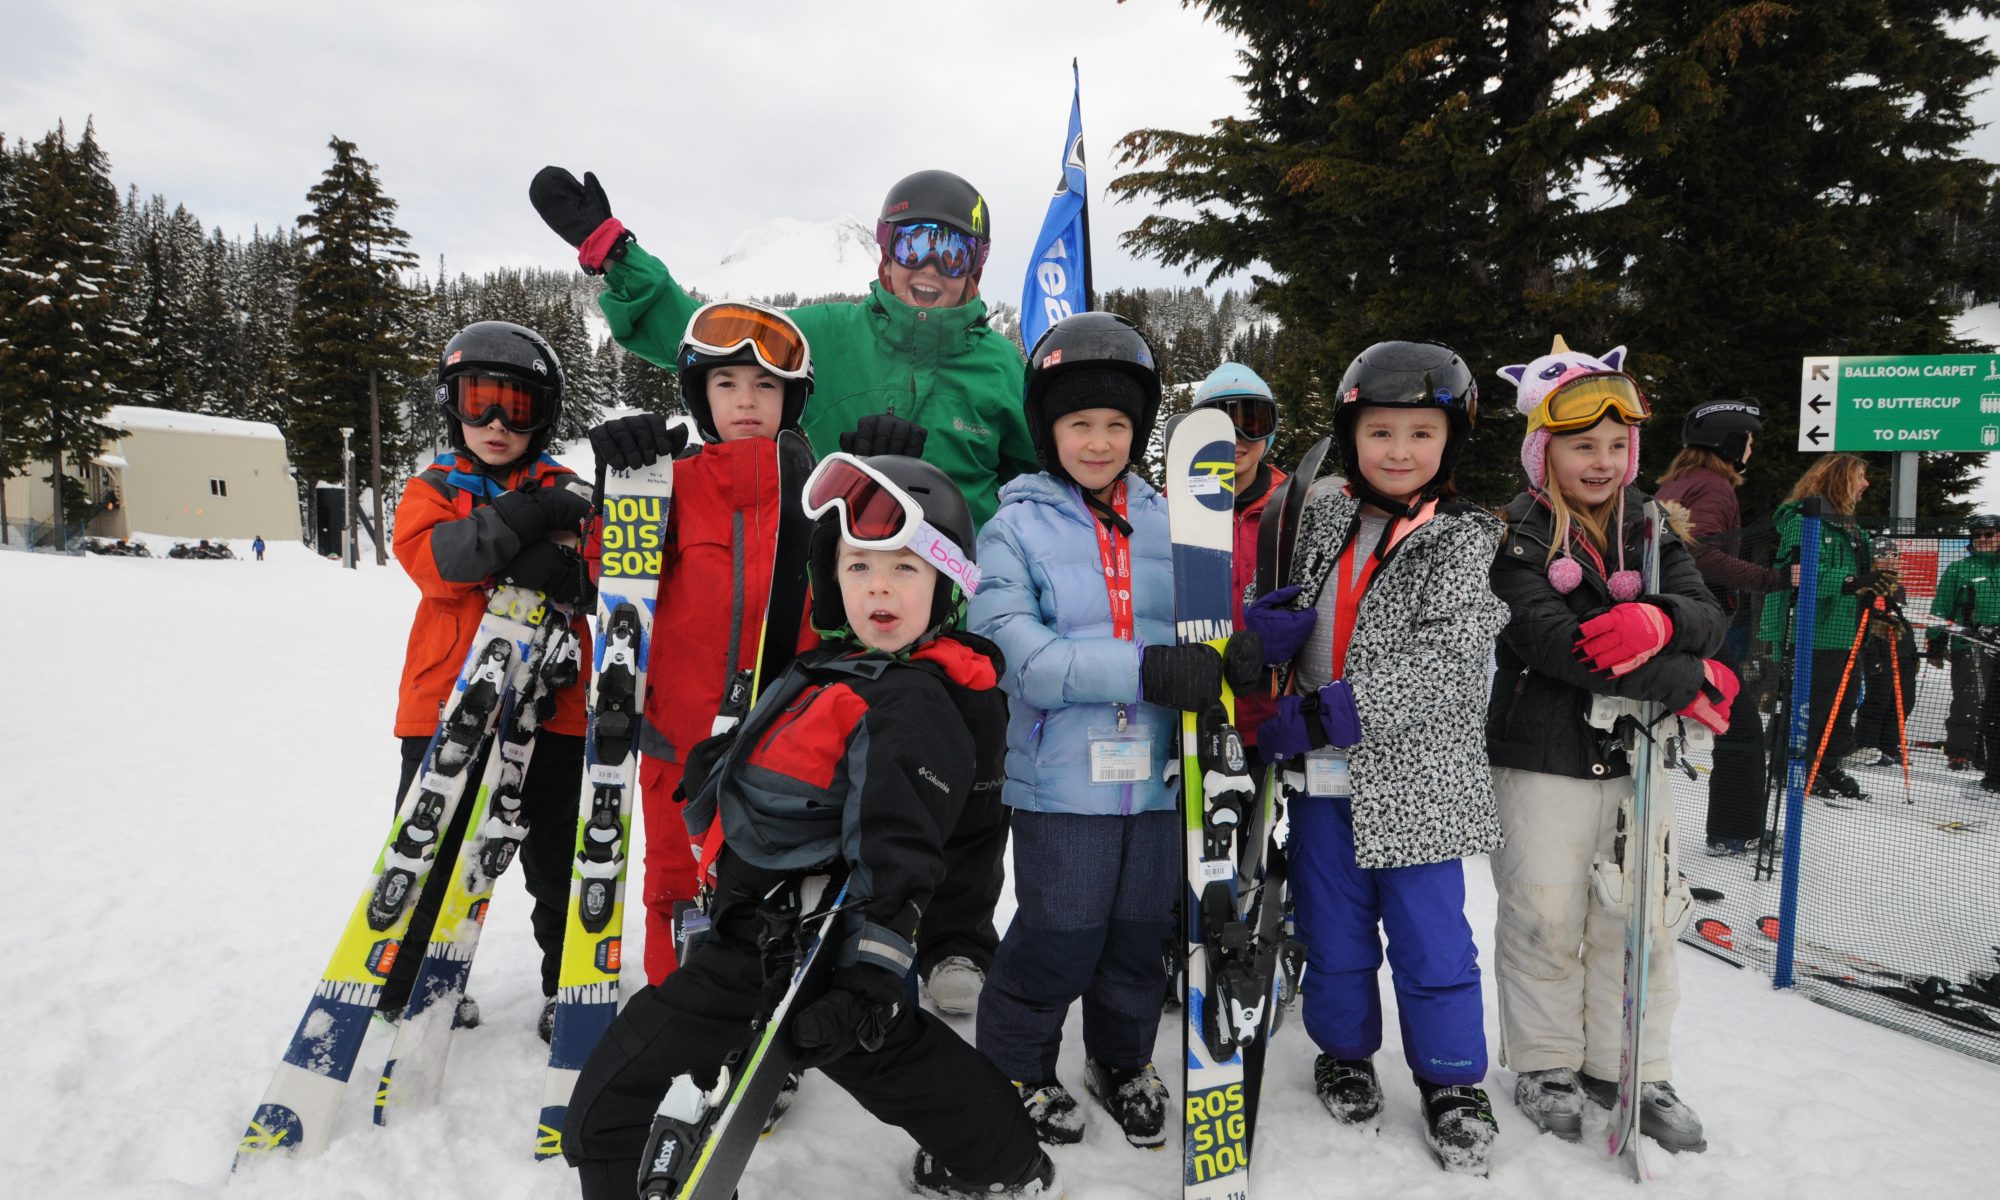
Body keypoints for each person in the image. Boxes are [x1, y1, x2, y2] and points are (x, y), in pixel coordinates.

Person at [531, 164, 1036, 1013]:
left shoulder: (1000, 370)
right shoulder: (831, 336)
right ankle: (799, 965)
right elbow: (711, 341)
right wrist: (615, 256)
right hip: (837, 612)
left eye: (951, 249)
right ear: (883, 253)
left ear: (977, 266)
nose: (928, 264)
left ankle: (953, 941)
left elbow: (1037, 478)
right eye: (911, 242)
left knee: (963, 786)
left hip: (950, 612)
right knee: (830, 800)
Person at [560, 454, 1056, 1200]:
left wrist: (870, 975)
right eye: (857, 567)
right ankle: (1005, 1160)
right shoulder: (838, 665)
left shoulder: (915, 704)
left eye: (904, 569)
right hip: (764, 928)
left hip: (794, 945)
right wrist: (719, 771)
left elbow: (903, 849)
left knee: (618, 1088)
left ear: (947, 584)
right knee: (888, 1060)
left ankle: (614, 1178)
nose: (878, 587)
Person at [969, 312, 1257, 1150]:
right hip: (1063, 782)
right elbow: (1017, 656)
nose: (1099, 442)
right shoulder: (1012, 528)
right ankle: (1016, 1068)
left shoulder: (1174, 522)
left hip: (1164, 777)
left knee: (1140, 941)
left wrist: (1227, 657)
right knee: (1060, 938)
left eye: (1117, 425)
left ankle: (1123, 1059)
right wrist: (1145, 670)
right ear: (1047, 429)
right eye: (1079, 423)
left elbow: (1203, 630)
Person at [1241, 341, 1508, 1175]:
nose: (1399, 451)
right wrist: (1268, 631)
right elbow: (1287, 601)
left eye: (1420, 434)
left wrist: (1326, 713)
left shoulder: (1466, 536)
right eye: (1381, 431)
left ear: (1450, 442)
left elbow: (1448, 662)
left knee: (1432, 941)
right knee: (1333, 928)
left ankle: (1454, 1080)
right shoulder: (1320, 511)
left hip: (1419, 780)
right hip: (1324, 781)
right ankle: (1344, 1050)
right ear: (1351, 434)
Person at [1486, 336, 1734, 1155]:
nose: (1600, 462)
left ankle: (1632, 1063)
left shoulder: (1653, 530)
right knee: (1545, 911)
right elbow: (1556, 643)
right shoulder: (1515, 537)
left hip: (1639, 759)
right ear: (1543, 451)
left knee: (1642, 916)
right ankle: (1548, 1060)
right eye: (1581, 445)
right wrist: (1677, 676)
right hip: (1542, 753)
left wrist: (1663, 622)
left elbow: (1708, 614)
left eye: (1616, 446)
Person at [582, 300, 819, 988]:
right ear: (700, 396)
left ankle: (763, 1034)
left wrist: (879, 470)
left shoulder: (816, 494)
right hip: (676, 744)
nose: (746, 400)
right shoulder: (671, 484)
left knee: (776, 892)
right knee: (678, 891)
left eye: (766, 386)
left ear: (791, 399)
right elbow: (612, 579)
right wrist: (620, 493)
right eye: (727, 384)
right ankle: (674, 1020)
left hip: (785, 746)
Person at [383, 320, 595, 1037]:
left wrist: (569, 567)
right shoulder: (434, 489)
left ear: (545, 414)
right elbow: (441, 563)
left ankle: (568, 983)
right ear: (454, 405)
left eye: (518, 406)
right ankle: (408, 981)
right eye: (479, 402)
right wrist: (525, 521)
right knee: (432, 854)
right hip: (448, 711)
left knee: (558, 862)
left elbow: (609, 575)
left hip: (552, 709)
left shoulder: (572, 491)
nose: (498, 423)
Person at [1652, 399, 1786, 853]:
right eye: (1748, 439)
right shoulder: (1714, 488)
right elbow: (1701, 553)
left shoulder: (1677, 482)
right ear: (1729, 440)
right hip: (1696, 620)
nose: (1751, 448)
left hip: (1669, 617)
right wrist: (1775, 579)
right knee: (1743, 728)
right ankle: (1734, 830)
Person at [1755, 452, 1878, 801]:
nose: (1865, 484)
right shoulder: (1803, 519)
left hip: (1846, 630)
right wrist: (1853, 580)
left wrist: (1875, 584)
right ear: (1838, 479)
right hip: (1810, 629)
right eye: (1859, 476)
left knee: (1845, 701)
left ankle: (1826, 762)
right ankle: (1791, 765)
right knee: (1812, 703)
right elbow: (1799, 575)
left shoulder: (1849, 525)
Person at [1192, 362, 1287, 779]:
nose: (1236, 439)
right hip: (1194, 711)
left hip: (1267, 716)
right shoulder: (1170, 507)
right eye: (1219, 424)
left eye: (1252, 421)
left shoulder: (1291, 508)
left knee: (1256, 839)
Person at [1927, 514, 2000, 779]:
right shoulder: (1959, 569)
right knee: (1969, 699)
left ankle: (1991, 756)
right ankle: (1961, 750)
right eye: (1977, 535)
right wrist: (1936, 643)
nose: (1982, 539)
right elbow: (1940, 609)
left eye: (1988, 534)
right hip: (1970, 641)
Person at [1854, 535, 1918, 771]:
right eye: (1882, 555)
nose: (1889, 560)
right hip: (1877, 649)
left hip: (1901, 650)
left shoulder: (1898, 587)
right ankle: (1868, 745)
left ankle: (1889, 746)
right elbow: (1865, 616)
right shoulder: (1869, 584)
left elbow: (1900, 618)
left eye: (1894, 555)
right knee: (1878, 698)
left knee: (1904, 699)